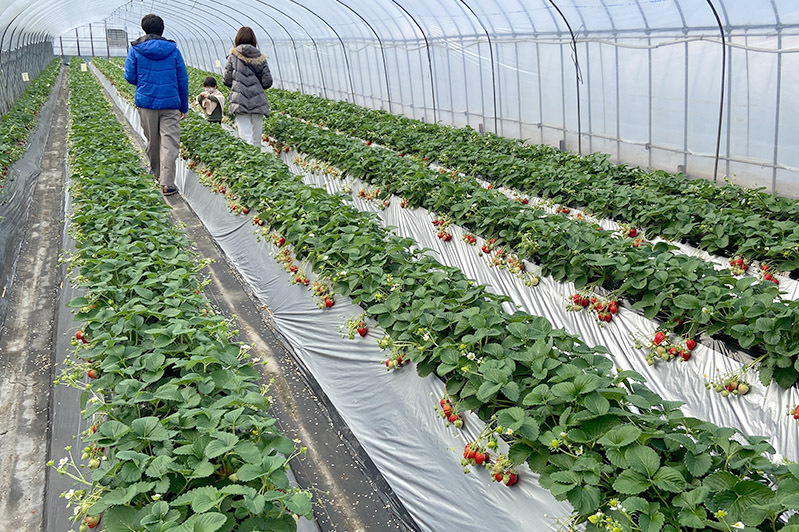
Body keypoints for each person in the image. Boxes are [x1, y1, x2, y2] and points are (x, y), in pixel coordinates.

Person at [124, 14, 189, 196]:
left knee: (153, 141)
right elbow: (182, 80)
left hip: (147, 103)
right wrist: (184, 106)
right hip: (170, 104)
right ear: (162, 29)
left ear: (144, 29)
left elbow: (129, 76)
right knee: (170, 143)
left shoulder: (136, 50)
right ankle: (167, 183)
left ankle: (156, 175)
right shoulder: (173, 51)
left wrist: (144, 82)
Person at [223, 27, 272, 146]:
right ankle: (258, 162)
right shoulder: (260, 57)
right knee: (256, 139)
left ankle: (249, 163)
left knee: (245, 137)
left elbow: (227, 80)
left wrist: (238, 84)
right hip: (257, 101)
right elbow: (267, 81)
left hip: (240, 101)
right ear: (253, 39)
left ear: (238, 39)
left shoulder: (233, 56)